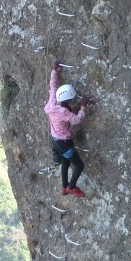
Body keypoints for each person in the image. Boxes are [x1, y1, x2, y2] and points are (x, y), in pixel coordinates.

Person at [45, 61, 87, 197]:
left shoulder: (52, 102)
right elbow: (77, 119)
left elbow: (53, 86)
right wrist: (82, 107)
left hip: (56, 140)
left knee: (65, 162)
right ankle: (71, 187)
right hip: (64, 143)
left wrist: (54, 71)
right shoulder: (63, 112)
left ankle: (64, 187)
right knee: (79, 165)